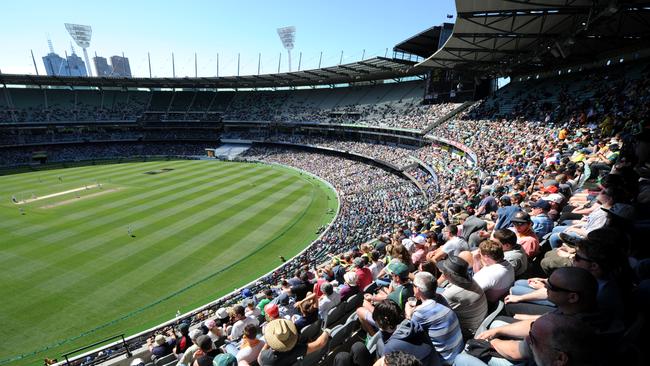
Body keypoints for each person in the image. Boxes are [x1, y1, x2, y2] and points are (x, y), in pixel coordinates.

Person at [405, 272, 463, 365]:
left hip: (445, 360)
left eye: (414, 285)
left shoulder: (420, 313)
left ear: (418, 289)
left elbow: (409, 333)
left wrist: (408, 315)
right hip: (459, 349)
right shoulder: (441, 298)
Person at [436, 255, 488, 338]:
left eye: (443, 272)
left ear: (448, 275)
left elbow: (437, 313)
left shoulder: (451, 293)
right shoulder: (471, 280)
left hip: (468, 331)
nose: (442, 273)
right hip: (479, 321)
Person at [258, 319, 330, 366]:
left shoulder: (265, 356)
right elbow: (320, 343)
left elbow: (259, 359)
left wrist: (269, 341)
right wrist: (326, 332)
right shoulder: (296, 350)